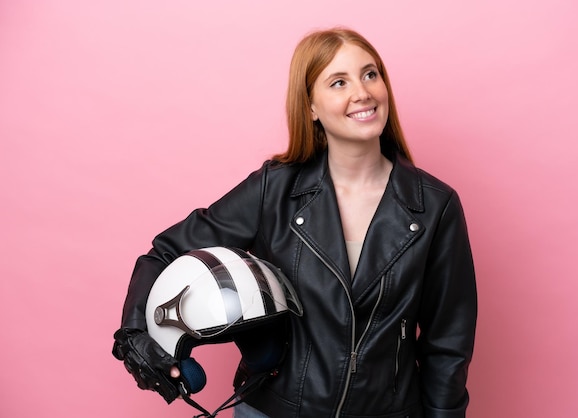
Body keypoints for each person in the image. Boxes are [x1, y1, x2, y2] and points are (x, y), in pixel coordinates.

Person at [113, 27, 477, 418]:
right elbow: (164, 254)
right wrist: (135, 335)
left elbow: (447, 344)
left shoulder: (435, 206)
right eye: (339, 82)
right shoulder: (275, 187)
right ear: (311, 107)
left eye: (370, 74)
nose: (363, 92)